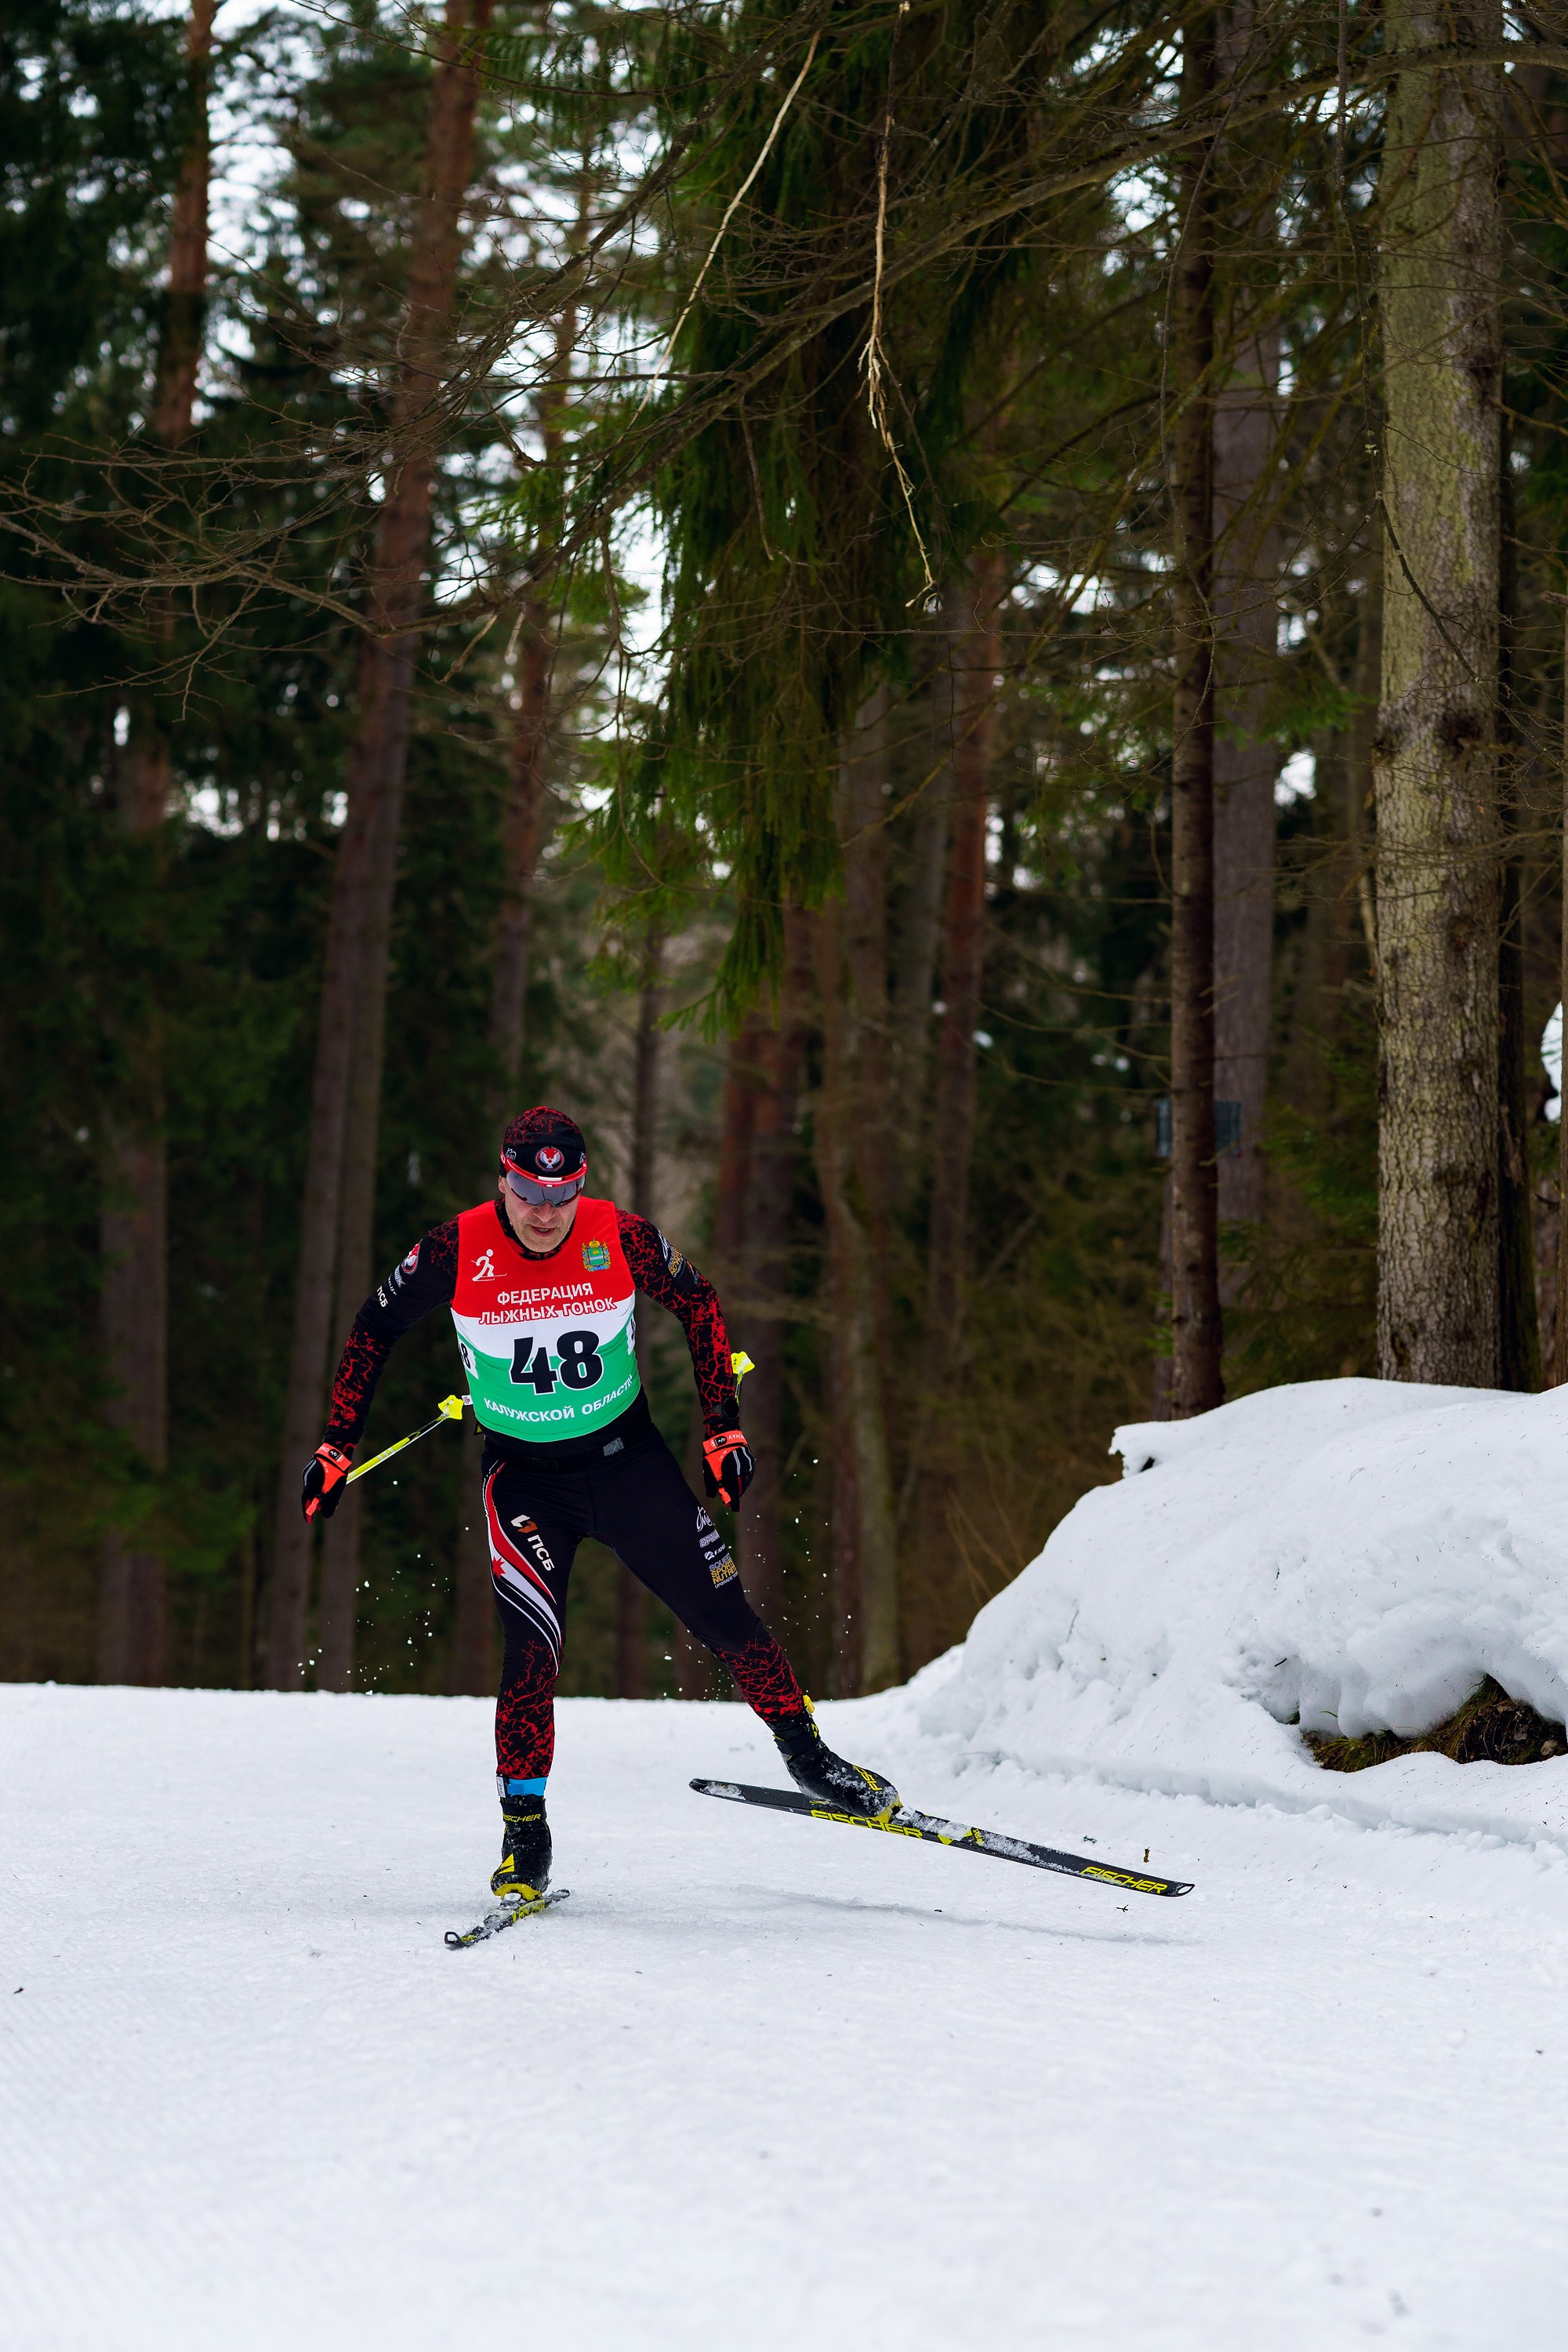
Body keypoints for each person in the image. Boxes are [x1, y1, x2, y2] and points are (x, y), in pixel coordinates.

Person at [303, 1105, 897, 1905]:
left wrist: (721, 1427)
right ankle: (524, 1837)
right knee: (531, 1652)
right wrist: (338, 1444)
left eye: (562, 1193)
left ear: (581, 1183)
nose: (545, 1212)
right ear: (503, 1180)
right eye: (527, 1192)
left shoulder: (619, 1236)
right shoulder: (454, 1247)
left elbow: (698, 1302)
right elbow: (374, 1327)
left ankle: (808, 1757)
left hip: (629, 1466)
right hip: (523, 1481)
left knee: (729, 1620)